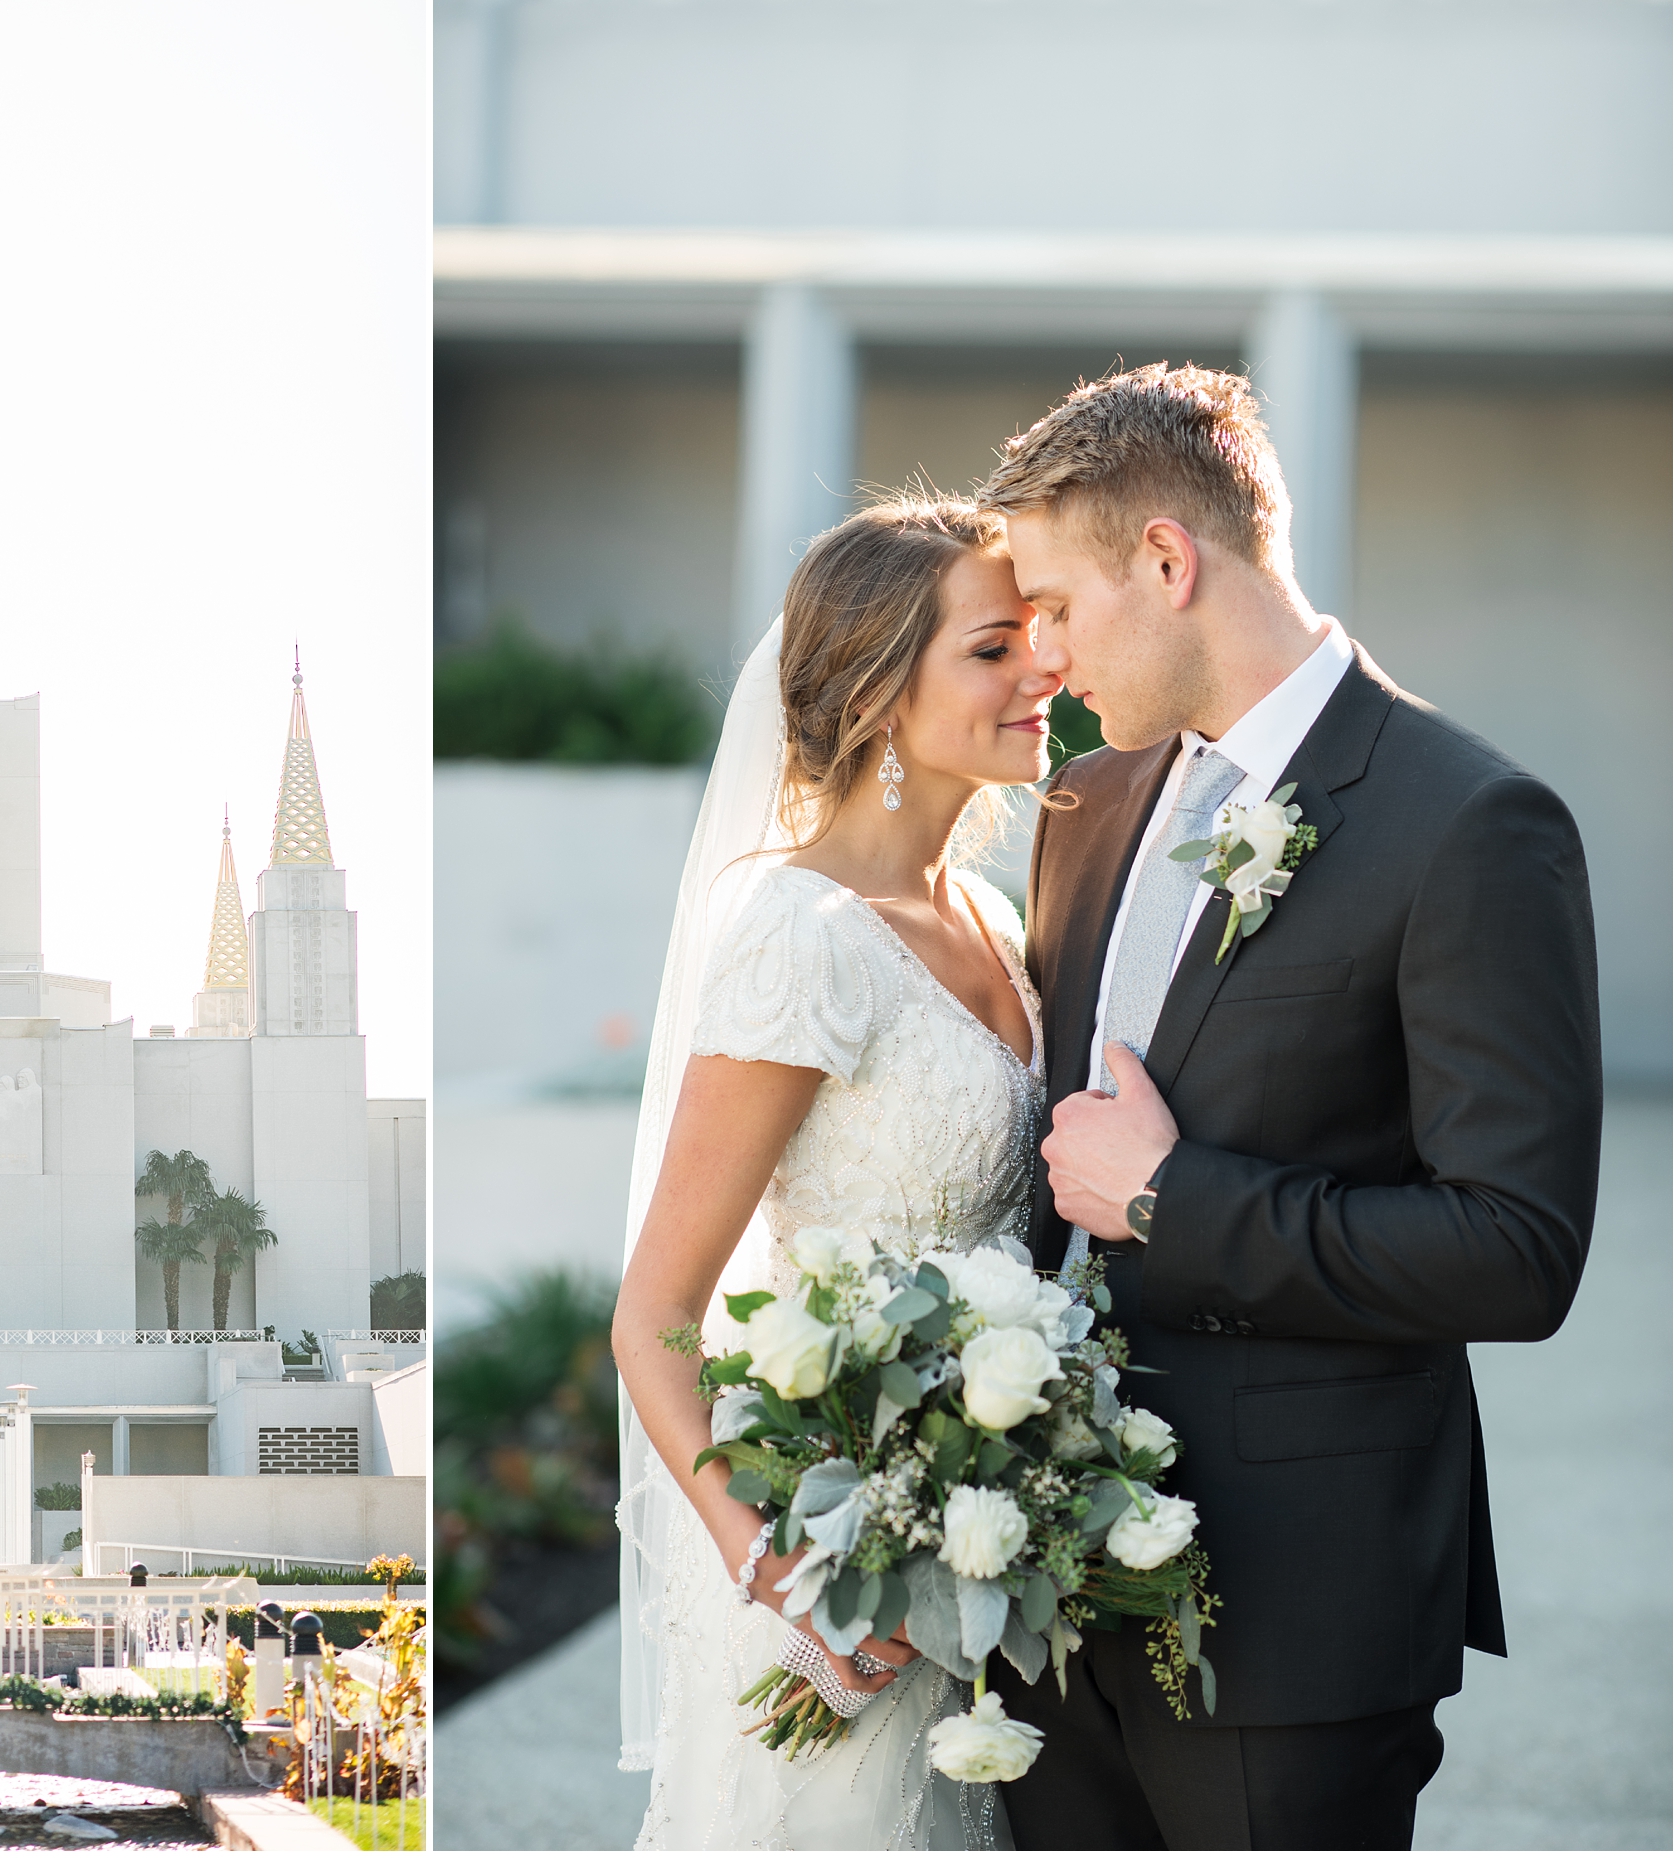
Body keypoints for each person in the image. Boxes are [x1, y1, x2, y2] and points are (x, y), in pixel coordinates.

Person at [981, 363, 1600, 1848]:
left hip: (1297, 1623)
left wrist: (1170, 1206)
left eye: (1057, 606)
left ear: (1169, 560)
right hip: (1044, 1602)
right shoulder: (1084, 807)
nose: (1044, 658)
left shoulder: (1469, 824)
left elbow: (1516, 1250)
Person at [613, 492, 1063, 1849]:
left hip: (979, 1549)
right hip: (832, 1581)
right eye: (994, 649)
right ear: (881, 694)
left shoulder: (990, 910)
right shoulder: (803, 937)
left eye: (1037, 636)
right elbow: (656, 1316)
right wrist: (787, 1577)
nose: (1042, 669)